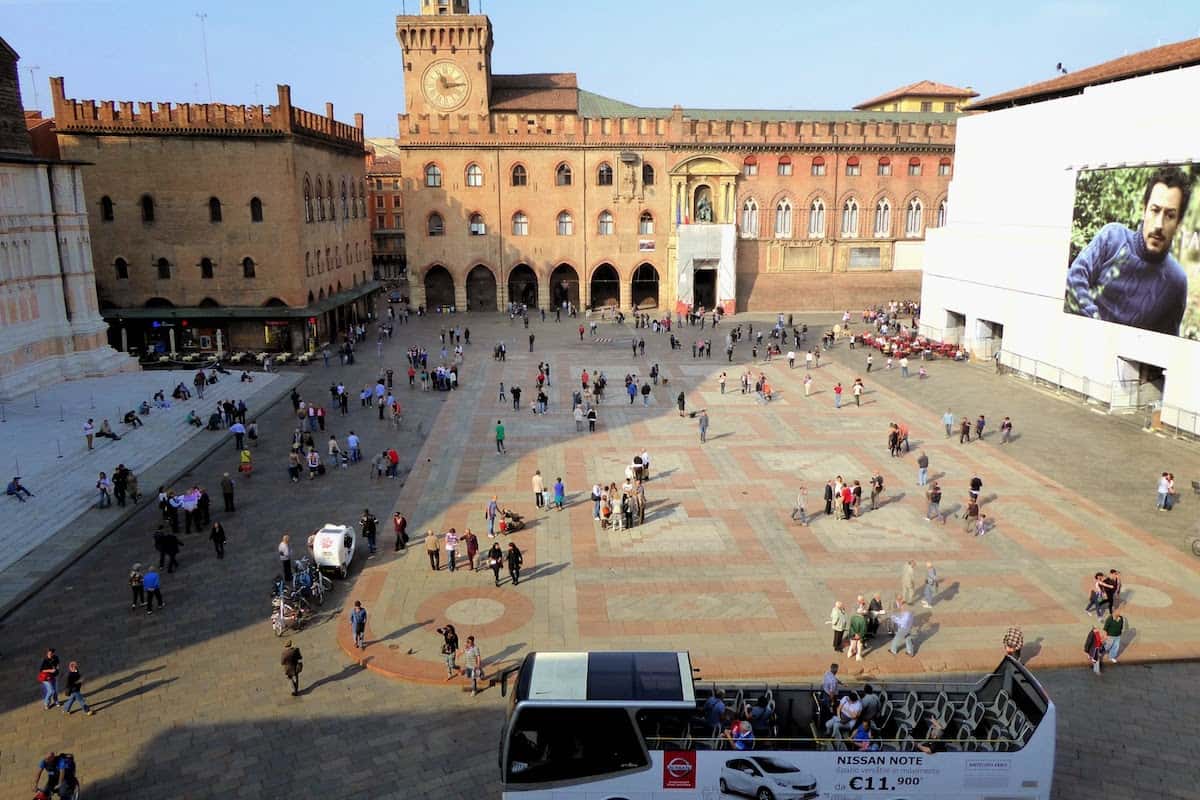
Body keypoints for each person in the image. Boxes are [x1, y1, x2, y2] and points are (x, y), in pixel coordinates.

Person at [1065, 165, 1191, 335]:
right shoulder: (1112, 238)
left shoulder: (1176, 282)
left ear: (1179, 223)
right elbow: (1074, 279)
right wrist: (1101, 331)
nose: (1159, 225)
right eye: (1155, 210)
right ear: (1144, 209)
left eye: (1170, 215)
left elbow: (1165, 349)